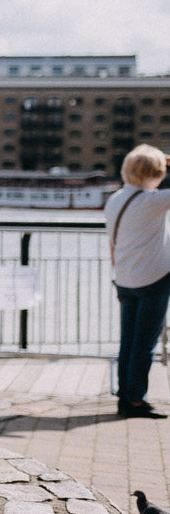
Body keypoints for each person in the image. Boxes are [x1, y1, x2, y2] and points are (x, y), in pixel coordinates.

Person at [105, 143, 170, 419]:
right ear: (156, 172)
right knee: (145, 344)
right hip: (153, 279)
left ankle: (125, 396)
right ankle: (135, 401)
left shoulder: (116, 199)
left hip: (125, 279)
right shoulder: (152, 201)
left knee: (128, 341)